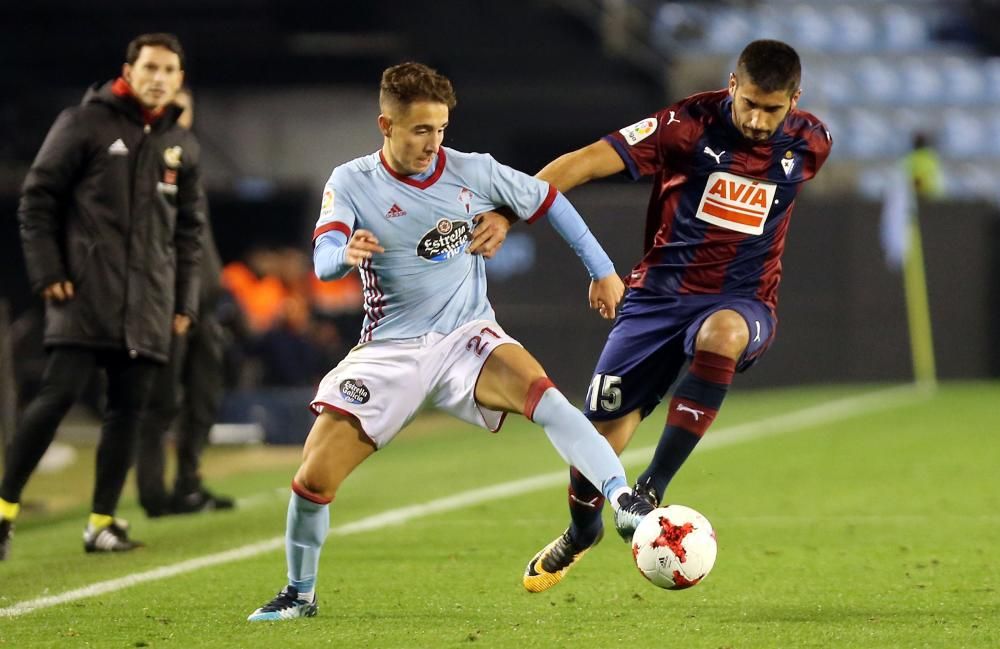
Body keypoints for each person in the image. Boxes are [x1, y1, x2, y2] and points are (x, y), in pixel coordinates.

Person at [246, 62, 654, 621]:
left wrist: (602, 270)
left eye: (440, 129)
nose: (433, 143)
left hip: (467, 334)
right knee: (313, 477)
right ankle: (299, 594)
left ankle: (621, 498)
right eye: (420, 130)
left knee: (546, 395)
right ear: (385, 124)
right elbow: (321, 262)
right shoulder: (351, 181)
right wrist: (345, 254)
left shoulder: (472, 170)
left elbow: (550, 200)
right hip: (391, 350)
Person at [520, 39, 832, 592]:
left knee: (724, 333)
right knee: (596, 446)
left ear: (795, 100)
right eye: (750, 104)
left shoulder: (811, 142)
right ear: (732, 86)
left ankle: (652, 487)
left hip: (743, 299)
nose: (759, 121)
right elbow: (587, 161)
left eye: (773, 109)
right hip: (657, 300)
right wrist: (510, 206)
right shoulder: (686, 124)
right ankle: (581, 531)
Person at [0, 33, 204, 559]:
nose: (158, 78)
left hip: (150, 303)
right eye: (150, 68)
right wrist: (47, 272)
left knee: (127, 412)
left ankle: (101, 523)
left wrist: (184, 303)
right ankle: (4, 508)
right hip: (86, 293)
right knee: (57, 396)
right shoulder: (83, 123)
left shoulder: (180, 145)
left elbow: (189, 233)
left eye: (169, 71)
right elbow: (37, 200)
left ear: (179, 81)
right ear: (129, 71)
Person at [135, 87, 233, 517]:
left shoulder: (187, 159)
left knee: (203, 396)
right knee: (160, 401)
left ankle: (189, 484)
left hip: (204, 305)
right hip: (167, 306)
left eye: (185, 107)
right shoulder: (144, 163)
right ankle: (154, 494)